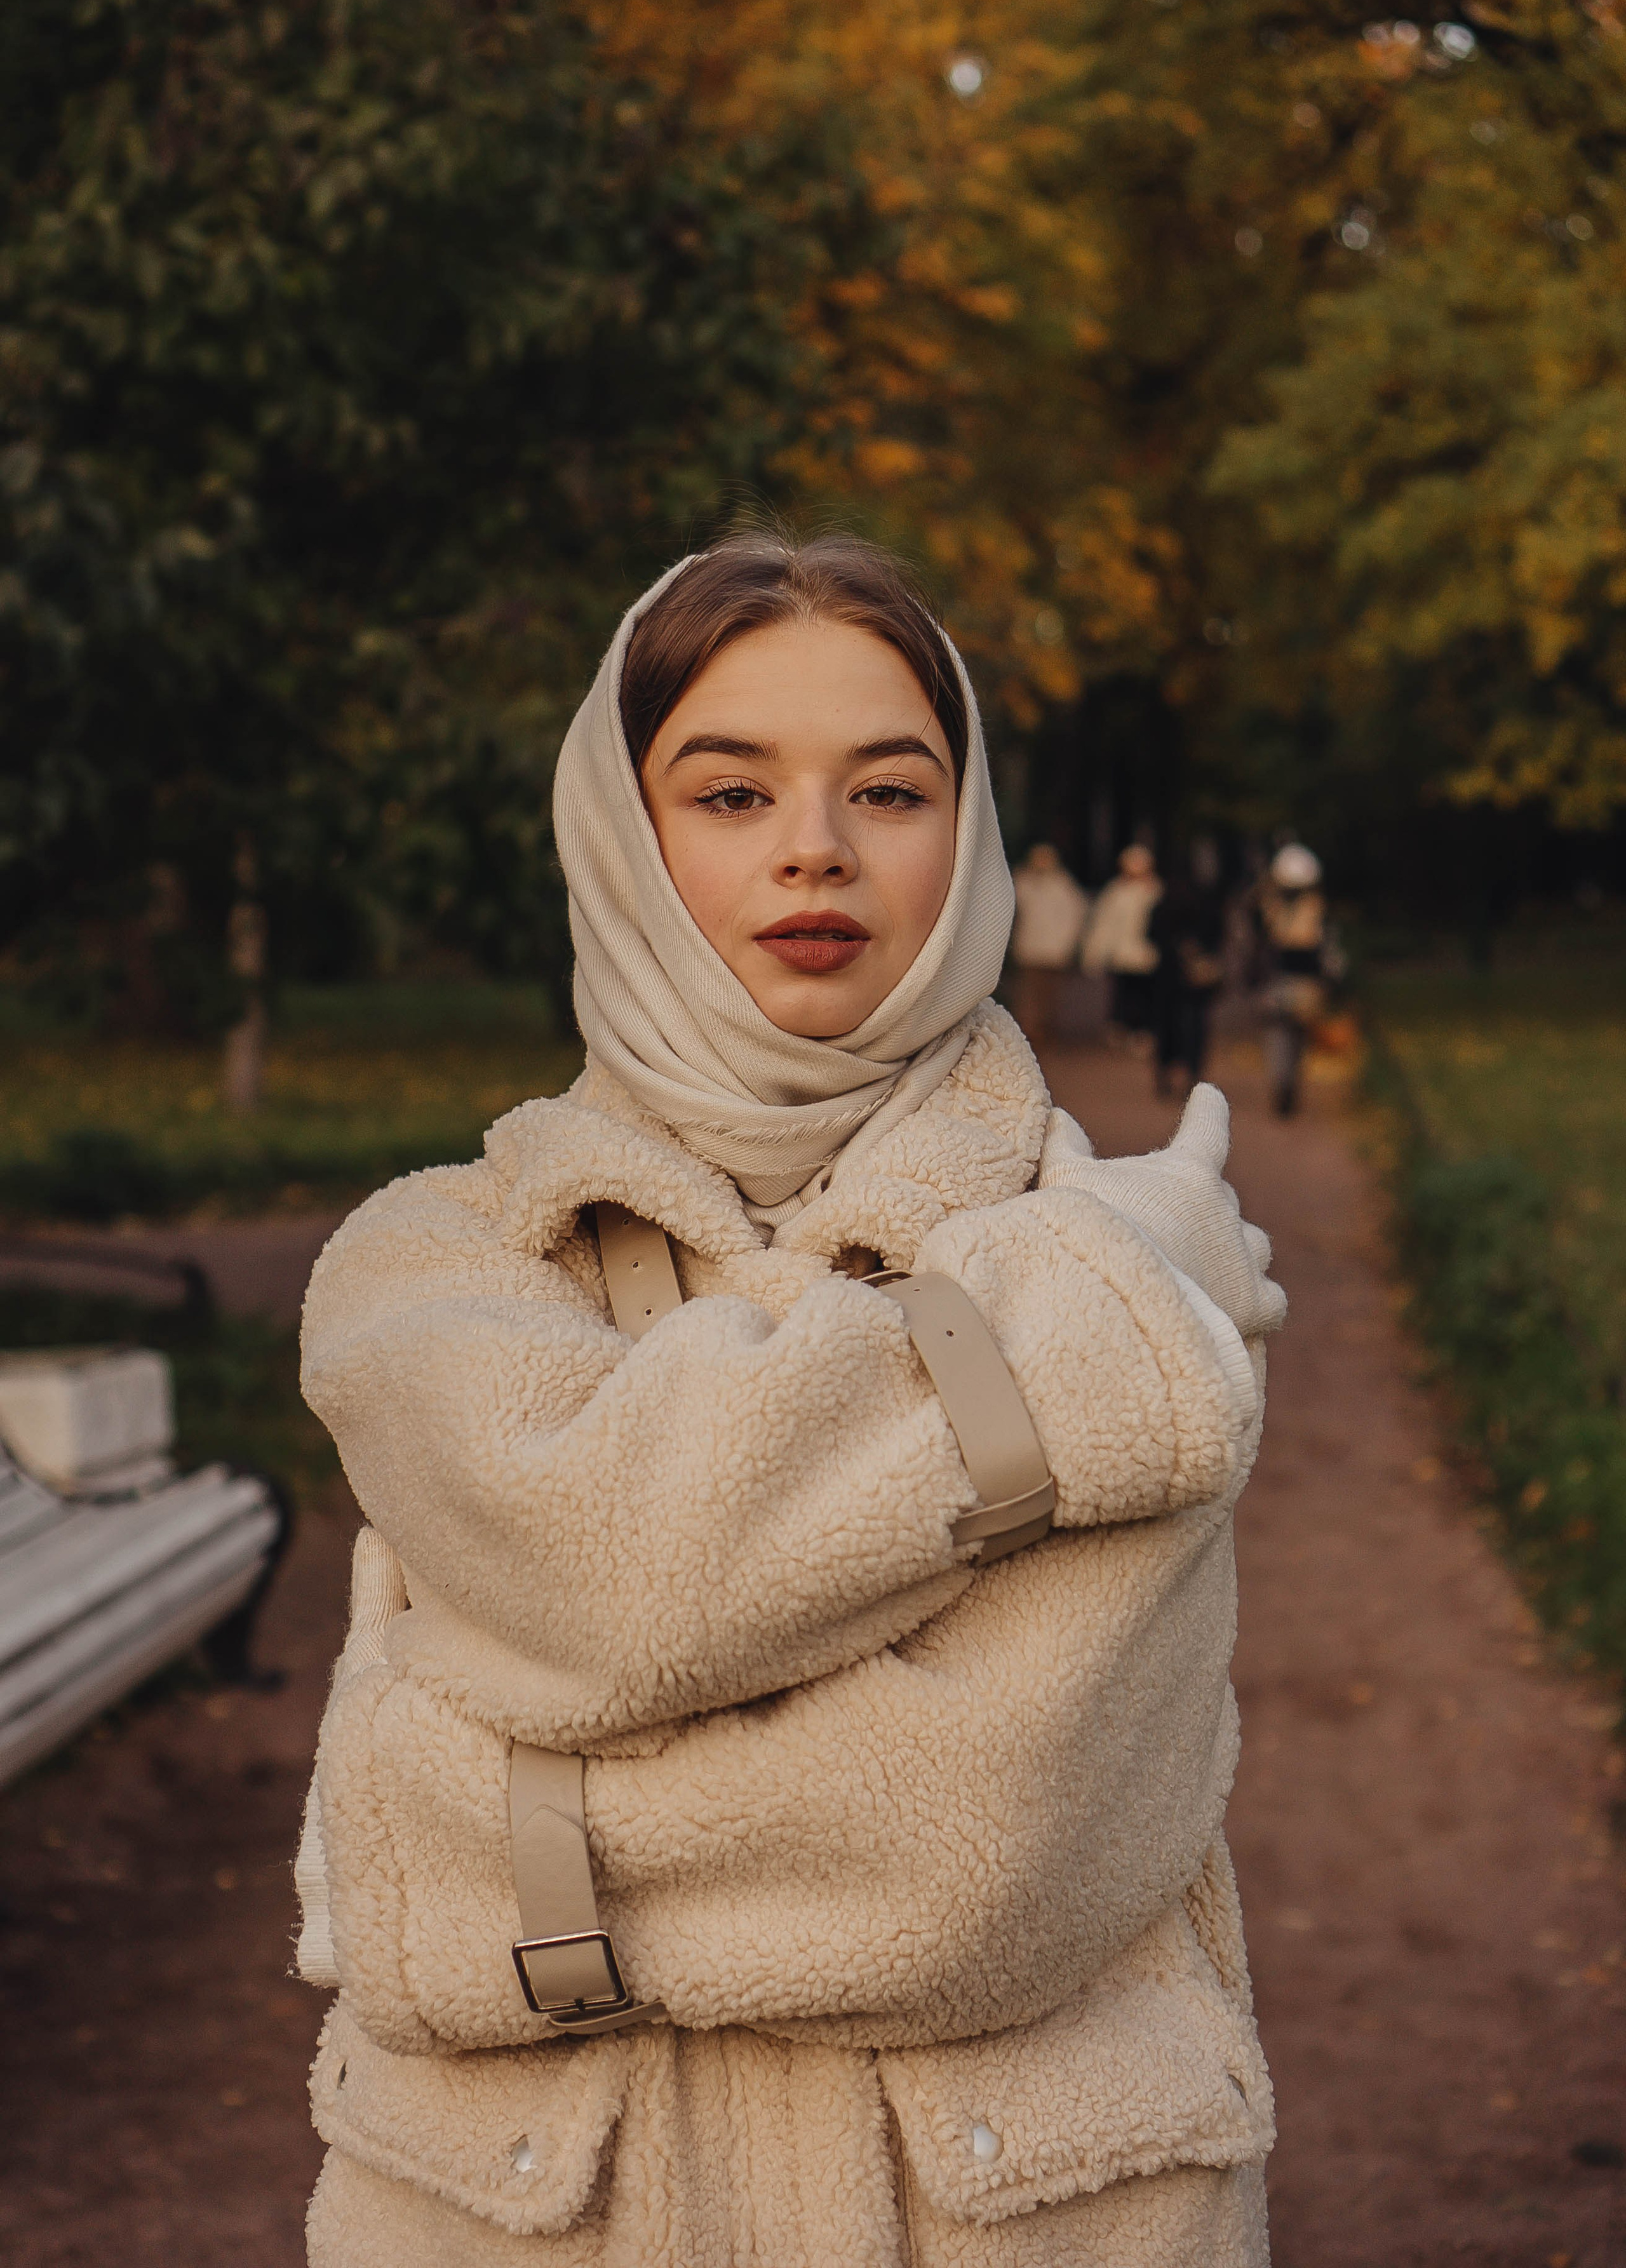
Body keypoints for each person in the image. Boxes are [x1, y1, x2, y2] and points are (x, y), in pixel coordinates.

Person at [293, 532, 1285, 2267]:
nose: (814, 848)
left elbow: (988, 1854)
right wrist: (1057, 1337)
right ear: (622, 834)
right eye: (731, 792)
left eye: (887, 792)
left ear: (963, 838)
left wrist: (471, 1867)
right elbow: (622, 1576)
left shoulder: (1139, 1262)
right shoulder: (427, 1266)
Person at [1254, 842, 1338, 1118]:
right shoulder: (1317, 909)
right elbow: (1329, 954)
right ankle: (1286, 1083)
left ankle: (1283, 1082)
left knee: (1280, 1036)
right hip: (1302, 984)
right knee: (1293, 1037)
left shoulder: (1268, 907)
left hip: (1282, 982)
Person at [1148, 846, 1228, 1100]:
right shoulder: (1206, 901)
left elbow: (1151, 933)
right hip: (1195, 979)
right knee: (1195, 1026)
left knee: (1167, 1026)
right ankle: (1192, 1075)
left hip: (1169, 976)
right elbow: (1218, 934)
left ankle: (1165, 1074)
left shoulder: (1164, 900)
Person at [1010, 841, 1091, 1052]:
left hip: (1054, 950)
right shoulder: (1024, 882)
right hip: (1030, 948)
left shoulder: (1063, 885)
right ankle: (1029, 1029)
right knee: (1029, 992)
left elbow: (1075, 916)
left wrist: (1067, 943)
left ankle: (1046, 1029)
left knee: (1050, 994)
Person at [1082, 841, 1163, 1042]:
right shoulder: (1115, 892)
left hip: (1147, 954)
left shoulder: (1156, 891)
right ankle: (1121, 1028)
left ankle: (1142, 1031)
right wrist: (1094, 953)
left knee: (1146, 995)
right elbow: (1103, 924)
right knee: (1122, 993)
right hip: (1121, 955)